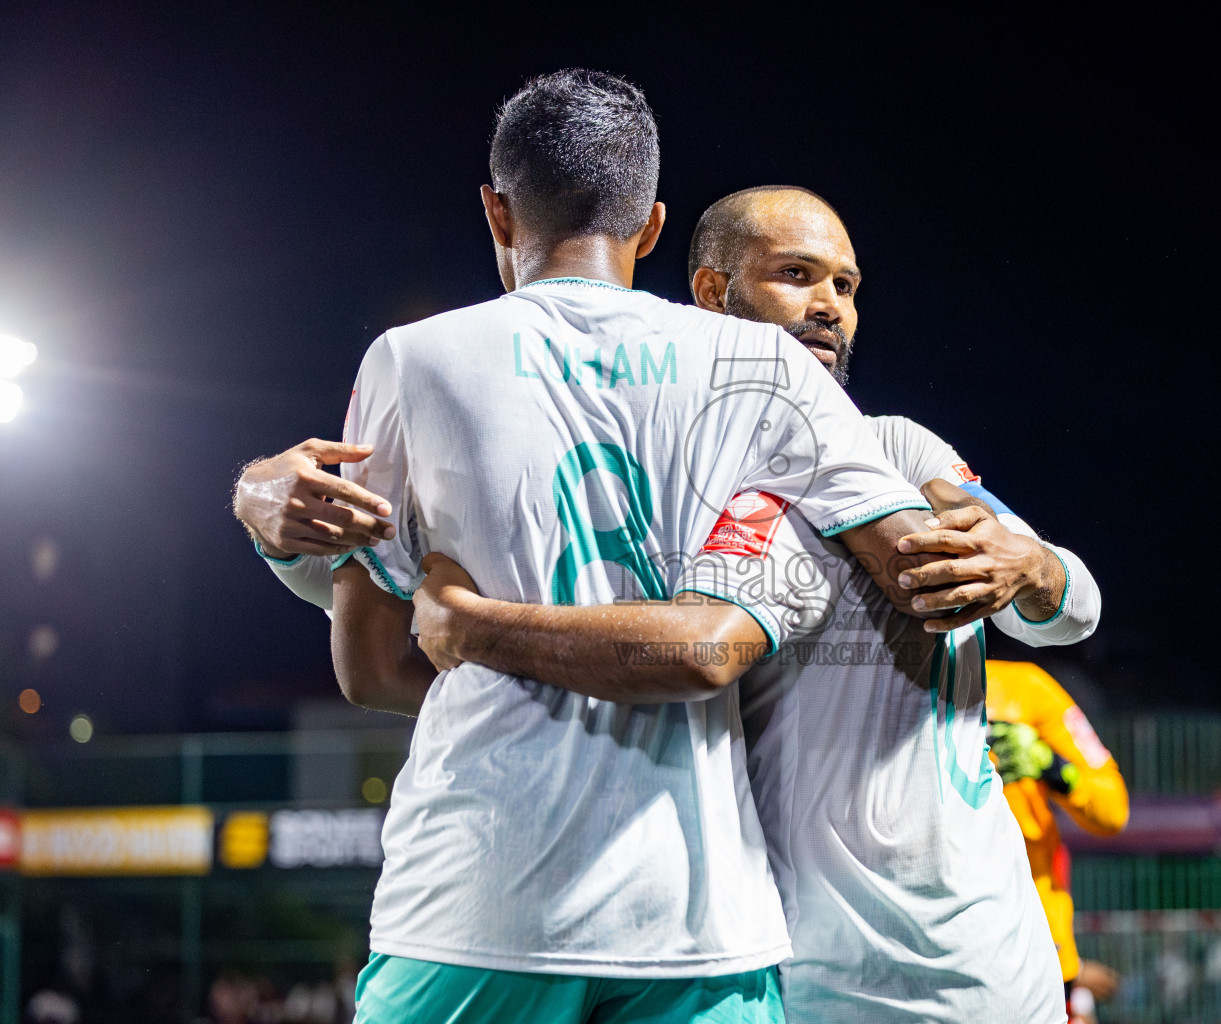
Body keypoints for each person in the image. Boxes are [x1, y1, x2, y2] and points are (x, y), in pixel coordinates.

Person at [258, 70, 946, 1024]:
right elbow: (921, 560)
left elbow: (369, 665)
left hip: (471, 904)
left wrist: (497, 666)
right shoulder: (764, 363)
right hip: (699, 919)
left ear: (498, 212)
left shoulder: (414, 358)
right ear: (654, 226)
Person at [393, 187, 1101, 1022]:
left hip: (988, 964)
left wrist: (1037, 567)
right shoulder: (679, 490)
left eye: (847, 286)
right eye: (797, 275)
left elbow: (1070, 609)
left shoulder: (902, 451)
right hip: (792, 973)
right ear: (710, 293)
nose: (830, 306)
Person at [985, 660, 1129, 1002]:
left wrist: (1051, 765)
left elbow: (1113, 809)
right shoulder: (867, 689)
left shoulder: (1024, 687)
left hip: (1034, 945)